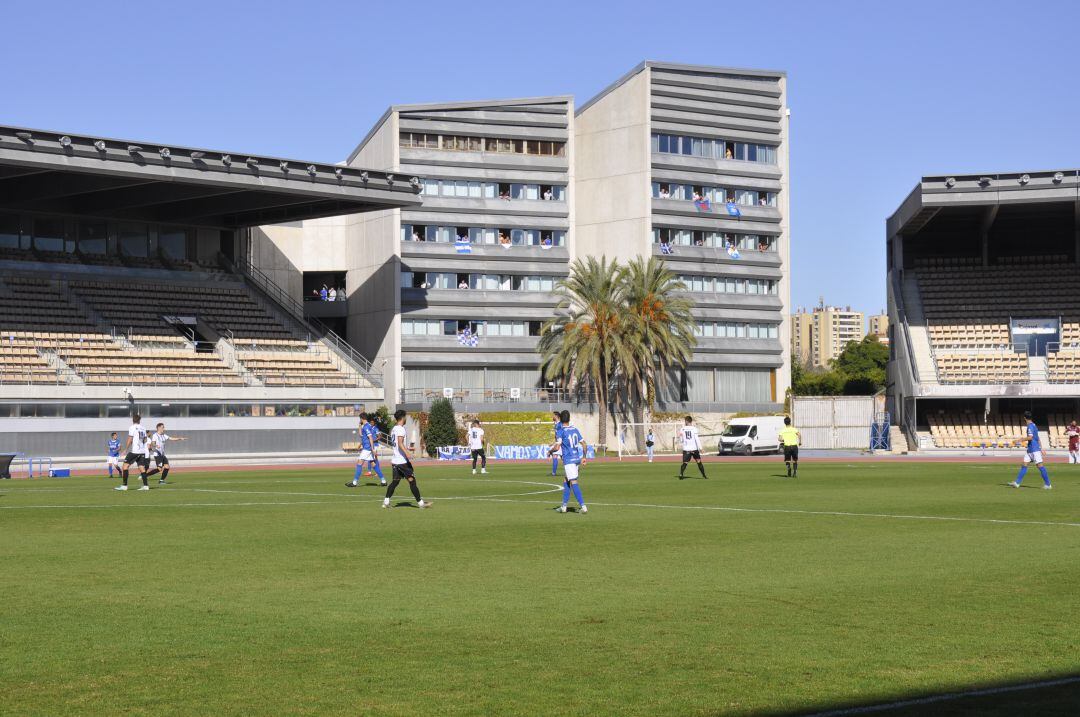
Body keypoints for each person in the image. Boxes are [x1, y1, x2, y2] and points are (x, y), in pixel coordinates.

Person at [383, 410, 431, 509]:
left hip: (395, 461)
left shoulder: (394, 429)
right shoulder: (401, 429)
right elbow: (400, 443)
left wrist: (406, 449)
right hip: (402, 462)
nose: (406, 419)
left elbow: (398, 444)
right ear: (402, 418)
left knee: (395, 482)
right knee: (412, 481)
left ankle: (386, 502)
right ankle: (421, 503)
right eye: (405, 417)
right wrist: (407, 453)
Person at [549, 409, 587, 514]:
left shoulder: (561, 431)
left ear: (560, 419)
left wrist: (550, 451)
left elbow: (557, 447)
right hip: (577, 460)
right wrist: (584, 457)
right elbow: (584, 444)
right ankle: (564, 506)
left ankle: (583, 507)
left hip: (569, 460)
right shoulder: (575, 429)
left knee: (573, 482)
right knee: (566, 480)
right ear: (569, 419)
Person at [1010, 411, 1051, 489]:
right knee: (1024, 465)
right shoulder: (1034, 425)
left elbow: (1030, 437)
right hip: (1031, 449)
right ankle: (1017, 483)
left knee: (1040, 466)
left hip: (1034, 449)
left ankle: (1048, 484)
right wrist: (1041, 448)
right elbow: (1037, 437)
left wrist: (1019, 440)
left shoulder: (1030, 426)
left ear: (1024, 418)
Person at [347, 412, 385, 487]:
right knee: (373, 464)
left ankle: (354, 482)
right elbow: (361, 435)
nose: (359, 420)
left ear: (361, 418)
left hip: (367, 448)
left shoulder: (367, 426)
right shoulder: (366, 426)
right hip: (368, 448)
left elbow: (370, 437)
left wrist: (372, 449)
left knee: (359, 463)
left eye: (360, 419)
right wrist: (359, 426)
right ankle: (383, 481)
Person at [115, 414, 151, 491]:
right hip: (142, 451)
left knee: (125, 466)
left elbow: (130, 438)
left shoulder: (132, 427)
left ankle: (124, 486)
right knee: (142, 468)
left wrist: (126, 449)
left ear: (133, 420)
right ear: (139, 420)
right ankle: (145, 486)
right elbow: (145, 440)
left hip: (135, 451)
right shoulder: (143, 428)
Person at [678, 415, 707, 480]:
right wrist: (701, 448)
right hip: (694, 448)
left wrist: (683, 443)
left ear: (686, 421)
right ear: (691, 421)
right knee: (698, 461)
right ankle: (704, 475)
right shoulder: (694, 429)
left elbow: (681, 440)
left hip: (686, 448)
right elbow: (697, 439)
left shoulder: (682, 429)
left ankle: (681, 474)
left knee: (685, 463)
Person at [549, 411, 562, 476]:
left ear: (556, 416)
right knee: (556, 456)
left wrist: (559, 443)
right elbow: (557, 436)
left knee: (558, 456)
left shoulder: (560, 424)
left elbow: (562, 434)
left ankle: (553, 473)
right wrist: (554, 443)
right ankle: (553, 473)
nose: (552, 416)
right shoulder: (556, 424)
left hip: (561, 443)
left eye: (553, 415)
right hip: (558, 442)